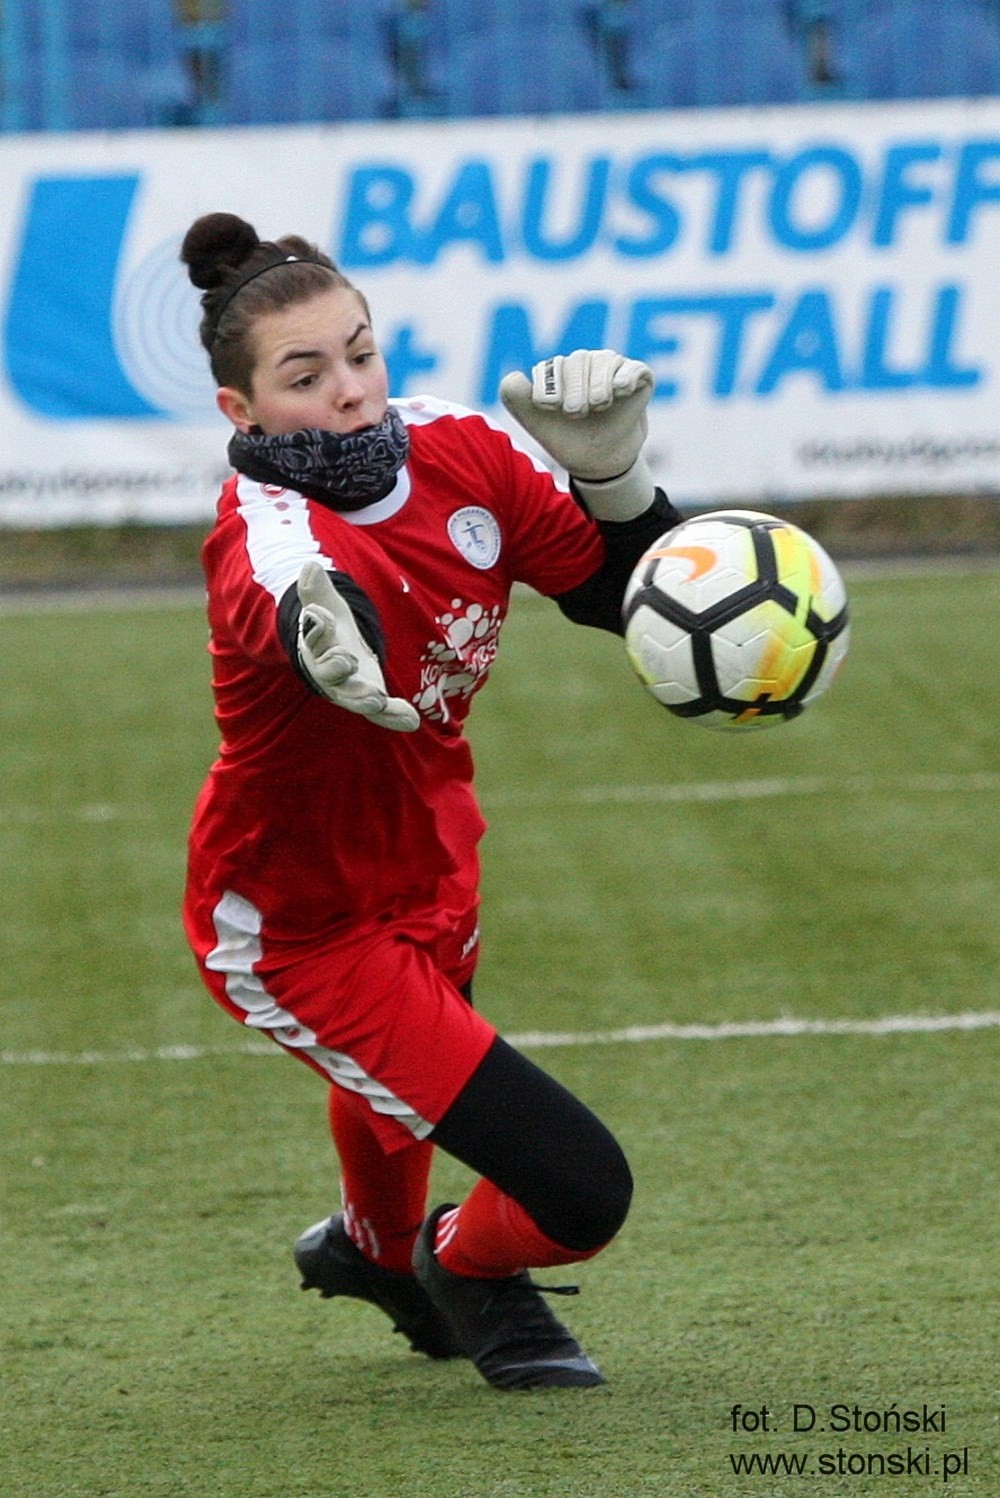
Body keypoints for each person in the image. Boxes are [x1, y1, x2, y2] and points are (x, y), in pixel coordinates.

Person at [179, 212, 682, 1392]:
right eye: (306, 376)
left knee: (401, 1088)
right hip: (296, 924)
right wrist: (321, 627)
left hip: (431, 853)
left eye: (360, 352)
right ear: (241, 410)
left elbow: (623, 599)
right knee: (579, 1190)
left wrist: (615, 480)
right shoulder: (266, 532)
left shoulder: (460, 449)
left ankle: (372, 1251)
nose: (351, 390)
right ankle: (459, 1262)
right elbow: (286, 592)